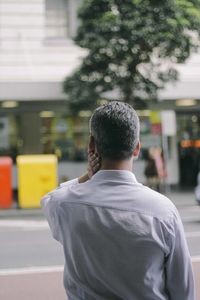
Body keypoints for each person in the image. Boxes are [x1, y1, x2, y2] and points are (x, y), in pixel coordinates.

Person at [41, 101, 195, 300]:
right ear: (137, 148)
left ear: (91, 145)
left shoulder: (65, 204)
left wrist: (86, 177)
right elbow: (183, 290)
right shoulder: (162, 211)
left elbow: (49, 198)